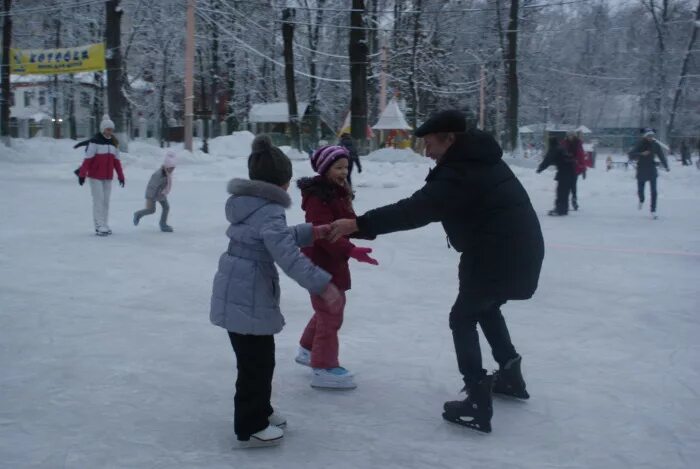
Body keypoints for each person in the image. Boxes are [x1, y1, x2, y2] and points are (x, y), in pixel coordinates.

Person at [328, 110, 545, 433]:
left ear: (450, 139)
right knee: (485, 308)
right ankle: (510, 375)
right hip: (516, 250)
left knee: (463, 317)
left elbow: (417, 209)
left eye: (430, 144)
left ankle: (476, 400)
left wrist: (359, 224)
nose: (426, 152)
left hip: (495, 254)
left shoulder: (461, 171)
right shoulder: (480, 158)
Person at [209, 135, 341, 448]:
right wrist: (322, 284)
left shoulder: (250, 205)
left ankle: (262, 411)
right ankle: (250, 426)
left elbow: (272, 238)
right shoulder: (269, 211)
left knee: (258, 360)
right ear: (281, 183)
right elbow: (286, 254)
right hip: (248, 294)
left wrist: (311, 232)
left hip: (239, 289)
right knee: (255, 364)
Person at [295, 145, 379, 390]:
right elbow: (323, 233)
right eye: (338, 167)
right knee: (331, 313)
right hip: (320, 262)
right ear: (324, 168)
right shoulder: (318, 197)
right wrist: (349, 250)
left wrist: (366, 230)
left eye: (346, 167)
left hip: (333, 260)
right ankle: (323, 367)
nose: (343, 172)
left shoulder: (338, 192)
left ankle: (307, 349)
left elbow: (345, 224)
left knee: (328, 309)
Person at [77, 115, 125, 236]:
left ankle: (104, 223)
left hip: (108, 177)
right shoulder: (95, 141)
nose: (110, 132)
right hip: (95, 176)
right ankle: (99, 225)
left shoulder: (114, 143)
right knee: (98, 200)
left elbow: (117, 161)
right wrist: (82, 174)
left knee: (106, 201)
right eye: (108, 129)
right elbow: (87, 160)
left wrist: (121, 176)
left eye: (111, 129)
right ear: (103, 129)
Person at [628, 128, 669, 219]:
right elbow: (631, 155)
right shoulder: (640, 143)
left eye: (652, 136)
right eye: (649, 136)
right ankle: (641, 200)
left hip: (651, 170)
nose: (651, 137)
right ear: (645, 136)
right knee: (640, 191)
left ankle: (653, 210)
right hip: (641, 169)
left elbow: (661, 156)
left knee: (654, 191)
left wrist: (666, 166)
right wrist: (641, 154)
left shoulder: (655, 145)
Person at [133, 151, 177, 232]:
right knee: (151, 210)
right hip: (152, 194)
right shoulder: (159, 174)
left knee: (166, 207)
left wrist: (163, 192)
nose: (172, 170)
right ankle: (138, 214)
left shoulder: (167, 173)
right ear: (167, 166)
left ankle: (163, 224)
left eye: (173, 168)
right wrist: (150, 197)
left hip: (161, 194)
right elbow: (152, 186)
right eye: (171, 168)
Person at [537, 137, 576, 216]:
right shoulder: (561, 148)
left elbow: (547, 160)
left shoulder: (554, 149)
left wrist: (540, 168)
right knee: (565, 191)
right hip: (571, 172)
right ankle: (564, 209)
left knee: (561, 191)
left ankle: (559, 210)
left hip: (564, 172)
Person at [562, 131, 586, 211]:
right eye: (569, 135)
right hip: (566, 168)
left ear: (574, 136)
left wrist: (583, 169)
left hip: (575, 168)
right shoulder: (564, 143)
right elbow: (560, 154)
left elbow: (582, 156)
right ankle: (565, 203)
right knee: (566, 186)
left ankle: (574, 201)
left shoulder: (578, 144)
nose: (570, 137)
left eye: (572, 135)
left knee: (573, 186)